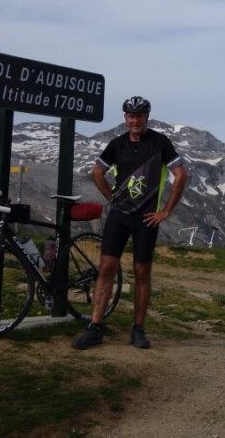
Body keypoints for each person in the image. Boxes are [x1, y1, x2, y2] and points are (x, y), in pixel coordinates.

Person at [72, 95, 188, 350]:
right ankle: (95, 327)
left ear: (147, 117)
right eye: (131, 116)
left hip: (147, 217)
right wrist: (112, 198)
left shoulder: (160, 143)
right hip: (120, 215)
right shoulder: (117, 144)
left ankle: (138, 329)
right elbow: (97, 172)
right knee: (106, 268)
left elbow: (181, 175)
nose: (135, 120)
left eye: (140, 116)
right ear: (125, 118)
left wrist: (166, 210)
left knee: (142, 272)